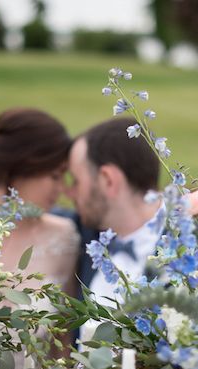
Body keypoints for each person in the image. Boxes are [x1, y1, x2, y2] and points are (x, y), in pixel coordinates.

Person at [0, 107, 79, 367]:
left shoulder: (63, 238)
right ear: (24, 165)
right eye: (56, 176)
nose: (61, 189)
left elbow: (62, 343)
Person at [65, 116, 163, 306]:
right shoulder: (86, 233)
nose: (69, 193)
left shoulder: (187, 251)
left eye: (76, 181)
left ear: (108, 180)